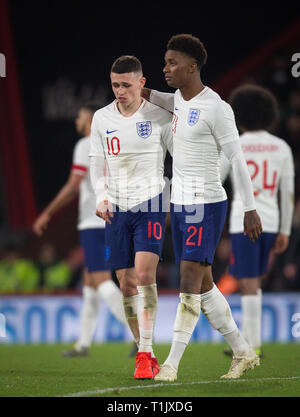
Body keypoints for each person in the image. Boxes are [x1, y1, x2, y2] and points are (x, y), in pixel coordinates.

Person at [142, 34, 262, 381]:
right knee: (205, 284)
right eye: (165, 62)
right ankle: (242, 352)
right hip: (180, 203)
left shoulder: (217, 108)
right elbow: (164, 99)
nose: (165, 68)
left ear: (193, 67)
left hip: (206, 204)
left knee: (189, 280)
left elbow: (238, 159)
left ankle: (171, 365)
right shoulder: (179, 99)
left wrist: (249, 208)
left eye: (172, 62)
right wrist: (137, 88)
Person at [89, 55, 173, 379]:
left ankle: (145, 354)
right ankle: (144, 348)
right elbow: (97, 161)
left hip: (150, 201)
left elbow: (179, 153)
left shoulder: (159, 116)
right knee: (124, 284)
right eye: (115, 84)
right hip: (116, 207)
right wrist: (101, 196)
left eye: (126, 84)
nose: (120, 91)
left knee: (142, 275)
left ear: (141, 83)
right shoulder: (101, 117)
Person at [32, 103, 129, 357]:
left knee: (101, 279)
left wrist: (47, 212)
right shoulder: (114, 144)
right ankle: (83, 343)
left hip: (94, 220)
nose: (77, 119)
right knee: (90, 281)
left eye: (80, 115)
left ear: (92, 119)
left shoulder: (86, 144)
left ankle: (138, 334)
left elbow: (74, 185)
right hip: (114, 218)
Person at [220, 84, 295, 357]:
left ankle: (250, 346)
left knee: (247, 282)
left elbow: (217, 179)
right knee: (255, 282)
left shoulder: (235, 144)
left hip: (245, 222)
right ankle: (251, 342)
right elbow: (287, 194)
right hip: (272, 222)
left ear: (239, 115)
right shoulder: (282, 147)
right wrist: (285, 230)